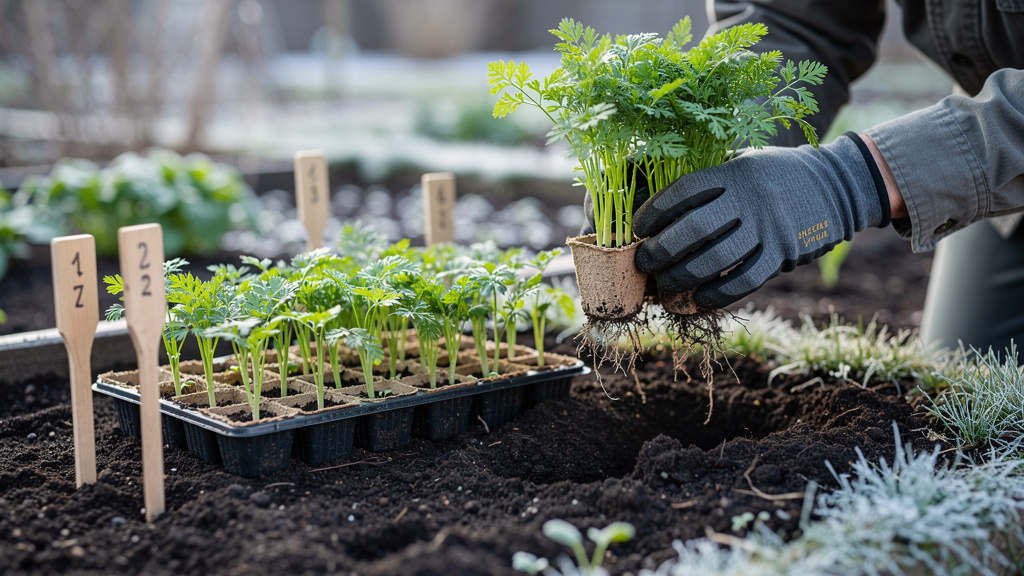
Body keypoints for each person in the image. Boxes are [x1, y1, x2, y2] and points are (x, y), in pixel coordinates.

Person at [633, 0, 1024, 353]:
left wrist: (853, 180)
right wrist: (715, 152)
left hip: (998, 132)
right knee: (961, 372)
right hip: (990, 137)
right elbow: (796, 19)